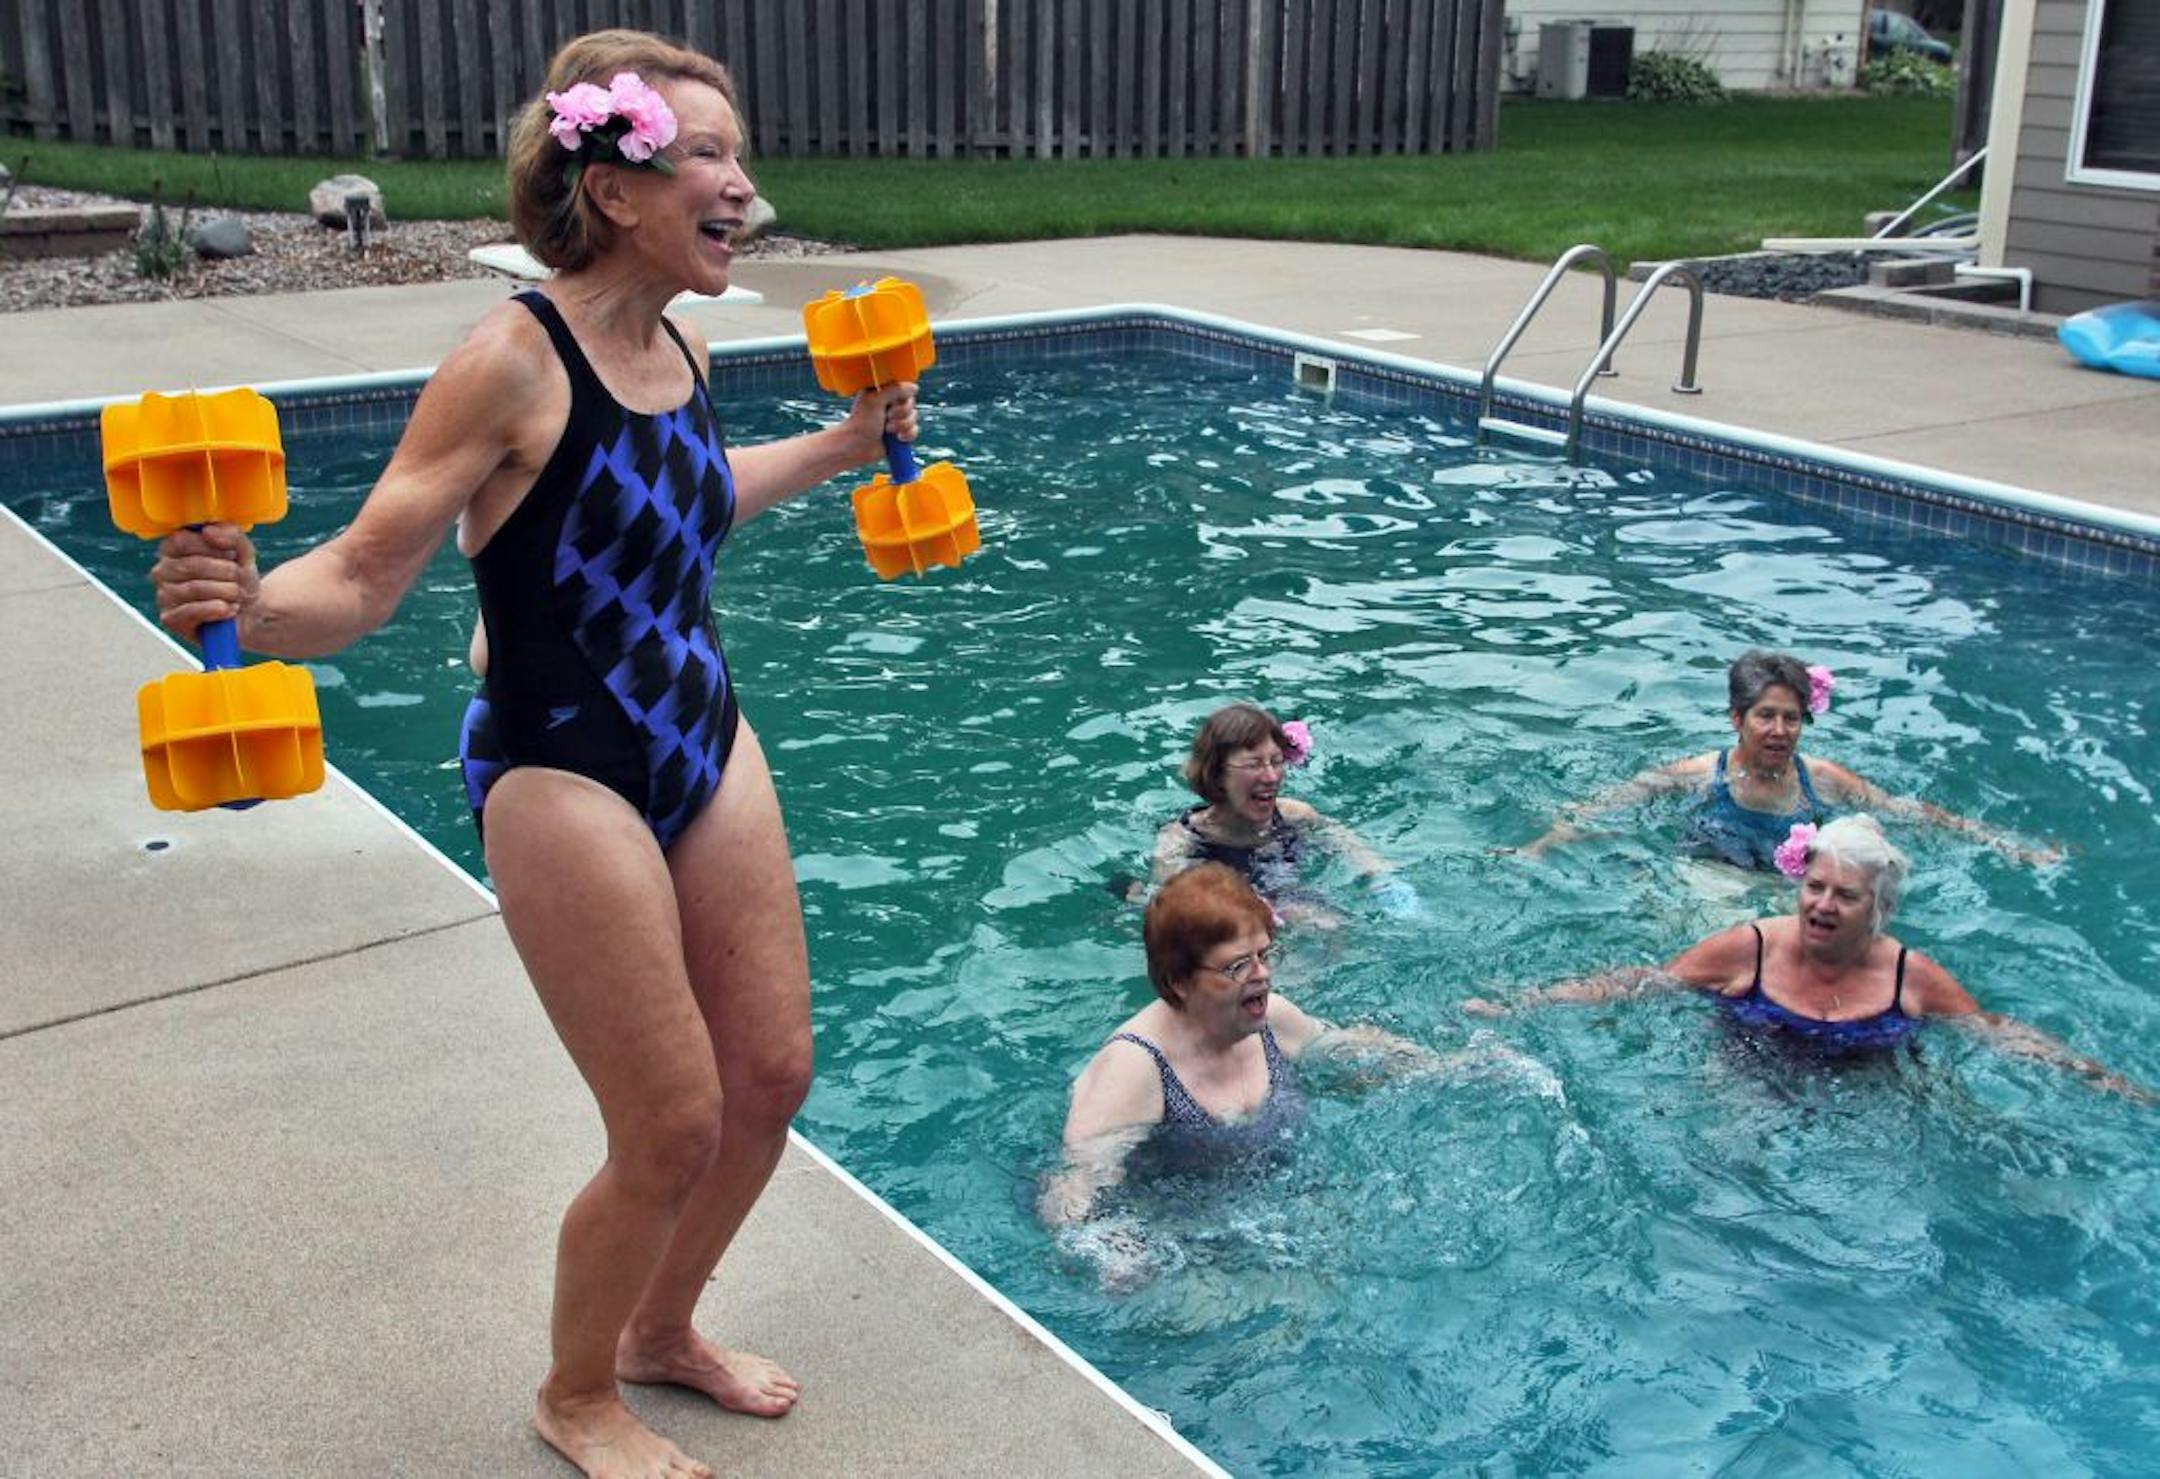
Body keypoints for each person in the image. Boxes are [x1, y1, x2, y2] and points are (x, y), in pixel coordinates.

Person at [149, 32, 920, 1479]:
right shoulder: (508, 361)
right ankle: (576, 1390)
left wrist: (840, 443)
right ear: (618, 187)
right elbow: (371, 575)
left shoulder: (678, 337)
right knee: (670, 1121)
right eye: (709, 157)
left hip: (704, 730)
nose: (742, 186)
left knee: (769, 1075)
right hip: (563, 766)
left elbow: (684, 504)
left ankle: (660, 1328)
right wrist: (247, 603)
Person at [1470, 816, 2148, 1097]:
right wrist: (1520, 1004)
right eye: (1814, 886)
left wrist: (2106, 1080)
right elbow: (1643, 982)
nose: (1822, 903)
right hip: (1748, 1064)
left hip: (1868, 1078)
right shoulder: (1750, 946)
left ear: (1878, 909)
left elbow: (1997, 1033)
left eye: (1844, 895)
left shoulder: (1911, 974)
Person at [1042, 864, 1455, 1226]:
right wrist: (1109, 1242)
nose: (1261, 975)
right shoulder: (1135, 1066)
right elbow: (1072, 1187)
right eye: (1238, 966)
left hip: (1279, 1208)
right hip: (1177, 1230)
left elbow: (1347, 1050)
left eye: (1264, 955)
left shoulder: (1270, 1019)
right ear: (1179, 982)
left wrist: (1454, 1066)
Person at [1522, 649, 2057, 869]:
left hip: (1790, 888)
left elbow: (1908, 812)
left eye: (1791, 718)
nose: (1780, 730)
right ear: (1738, 719)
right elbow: (1608, 804)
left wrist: (2002, 843)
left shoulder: (1821, 780)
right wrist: (1548, 840)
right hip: (1713, 873)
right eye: (1766, 716)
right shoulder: (1696, 775)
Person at [1150, 702, 1416, 918]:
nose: (1271, 776)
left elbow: (1348, 845)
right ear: (1217, 773)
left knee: (1326, 924)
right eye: (1254, 764)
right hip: (1241, 922)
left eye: (1277, 762)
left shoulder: (1295, 815)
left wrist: (1382, 880)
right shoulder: (1182, 841)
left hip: (1296, 901)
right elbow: (1178, 909)